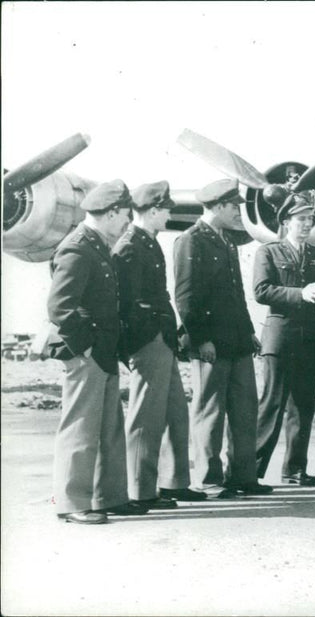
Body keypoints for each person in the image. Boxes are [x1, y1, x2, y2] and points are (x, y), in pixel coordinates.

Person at [46, 179, 147, 523]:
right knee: (80, 428)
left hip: (103, 351)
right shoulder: (77, 247)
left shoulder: (97, 244)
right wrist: (85, 345)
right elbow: (60, 307)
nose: (127, 224)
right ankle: (73, 503)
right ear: (112, 212)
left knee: (108, 429)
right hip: (87, 353)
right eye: (125, 216)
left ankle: (110, 497)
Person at [173, 178, 271, 499]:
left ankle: (244, 476)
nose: (238, 213)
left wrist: (249, 333)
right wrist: (200, 339)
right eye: (233, 207)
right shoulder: (191, 240)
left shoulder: (226, 241)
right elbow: (185, 298)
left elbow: (236, 295)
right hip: (210, 345)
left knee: (244, 411)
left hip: (237, 342)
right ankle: (209, 479)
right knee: (210, 413)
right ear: (217, 207)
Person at [112, 181, 207, 509]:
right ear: (152, 211)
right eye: (166, 209)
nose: (169, 214)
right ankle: (139, 491)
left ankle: (173, 482)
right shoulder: (129, 246)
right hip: (148, 341)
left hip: (161, 338)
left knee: (175, 415)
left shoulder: (147, 242)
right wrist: (146, 337)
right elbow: (125, 302)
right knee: (146, 418)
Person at [253, 193, 315, 486]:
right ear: (286, 222)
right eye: (300, 220)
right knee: (272, 404)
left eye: (309, 220)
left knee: (303, 407)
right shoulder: (269, 252)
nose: (306, 225)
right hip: (281, 339)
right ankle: (250, 470)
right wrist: (300, 293)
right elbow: (261, 291)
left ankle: (294, 470)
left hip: (310, 339)